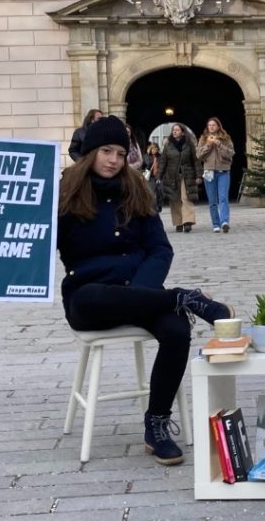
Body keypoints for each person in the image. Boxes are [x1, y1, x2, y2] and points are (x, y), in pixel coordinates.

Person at [56, 115, 232, 465]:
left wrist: (140, 292)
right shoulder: (65, 195)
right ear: (91, 152)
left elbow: (159, 249)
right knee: (92, 296)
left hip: (141, 290)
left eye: (121, 153)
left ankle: (157, 423)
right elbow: (39, 246)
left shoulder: (136, 189)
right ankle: (182, 296)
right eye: (106, 151)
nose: (113, 160)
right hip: (88, 296)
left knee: (177, 330)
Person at [196, 117, 236, 233]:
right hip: (209, 172)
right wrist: (208, 145)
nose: (211, 127)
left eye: (214, 125)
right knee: (212, 200)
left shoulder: (226, 138)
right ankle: (216, 224)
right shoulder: (203, 139)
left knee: (223, 198)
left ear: (218, 126)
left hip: (223, 171)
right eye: (209, 125)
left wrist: (219, 144)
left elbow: (230, 154)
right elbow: (198, 155)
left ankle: (224, 222)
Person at [161, 122, 202, 233]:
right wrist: (158, 176)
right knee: (175, 200)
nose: (174, 131)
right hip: (172, 176)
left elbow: (196, 161)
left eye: (177, 130)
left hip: (187, 175)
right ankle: (178, 223)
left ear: (182, 132)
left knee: (186, 198)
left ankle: (187, 222)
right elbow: (163, 162)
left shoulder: (189, 145)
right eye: (173, 130)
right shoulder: (168, 145)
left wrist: (199, 175)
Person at [143, 141, 164, 212]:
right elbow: (148, 164)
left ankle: (159, 205)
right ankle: (152, 207)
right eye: (153, 149)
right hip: (150, 177)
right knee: (151, 192)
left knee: (160, 192)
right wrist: (152, 159)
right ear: (150, 149)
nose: (155, 150)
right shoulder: (146, 156)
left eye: (156, 149)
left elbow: (162, 166)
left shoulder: (160, 157)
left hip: (159, 176)